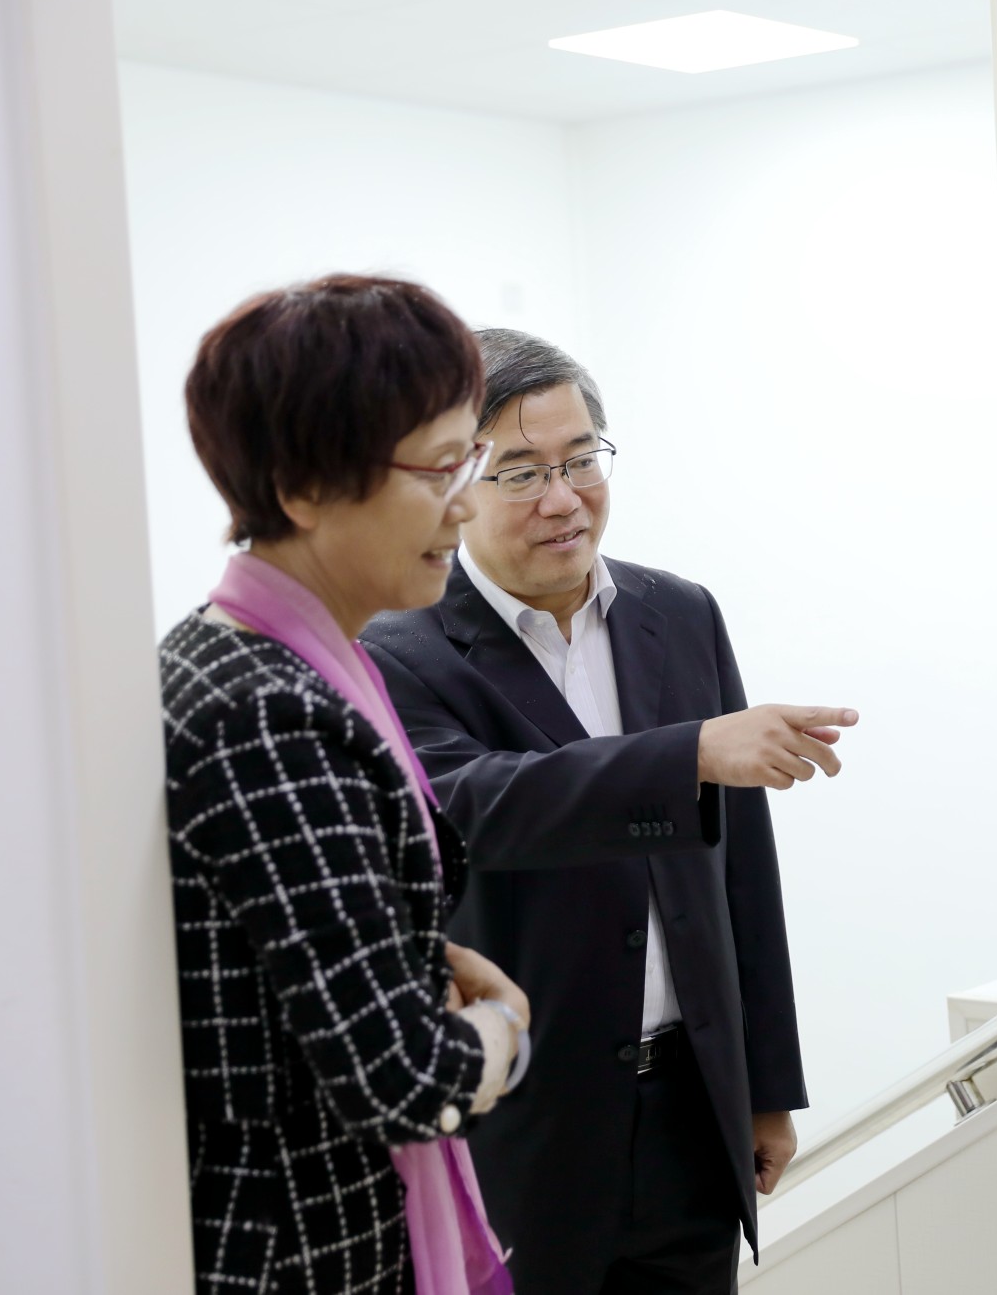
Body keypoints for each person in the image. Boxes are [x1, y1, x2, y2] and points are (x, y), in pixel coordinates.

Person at [363, 329, 849, 1294]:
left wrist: (766, 1086)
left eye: (582, 459)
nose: (563, 497)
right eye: (521, 472)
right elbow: (476, 803)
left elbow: (741, 871)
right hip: (520, 1129)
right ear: (455, 486)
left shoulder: (681, 612)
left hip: (689, 1115)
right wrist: (690, 752)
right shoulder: (397, 648)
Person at [160, 274, 552, 1293]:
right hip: (307, 1254)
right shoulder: (269, 712)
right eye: (438, 468)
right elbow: (403, 1077)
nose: (464, 503)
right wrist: (503, 1029)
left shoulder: (270, 661)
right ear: (302, 486)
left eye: (468, 461)